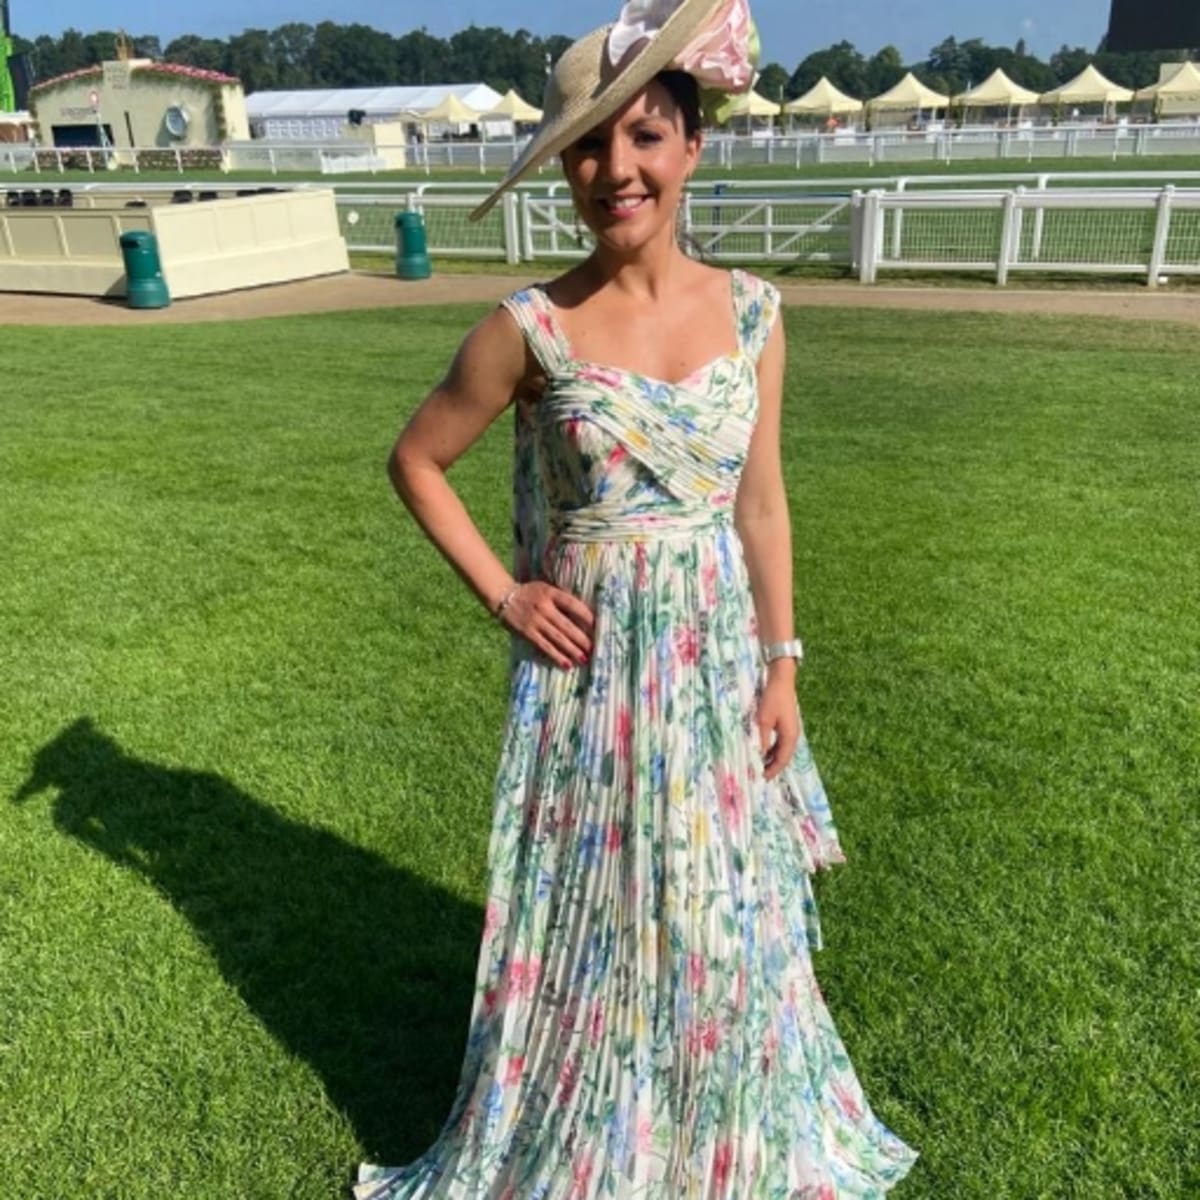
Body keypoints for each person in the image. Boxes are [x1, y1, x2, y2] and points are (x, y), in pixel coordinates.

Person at [356, 1, 920, 1195]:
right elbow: (416, 460)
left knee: (720, 919)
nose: (618, 169)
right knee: (596, 917)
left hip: (716, 667)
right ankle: (593, 1131)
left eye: (646, 137)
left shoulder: (758, 315)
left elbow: (760, 506)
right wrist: (506, 595)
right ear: (566, 164)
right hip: (590, 682)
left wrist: (784, 665)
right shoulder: (529, 329)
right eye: (590, 145)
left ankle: (721, 1128)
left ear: (691, 148)